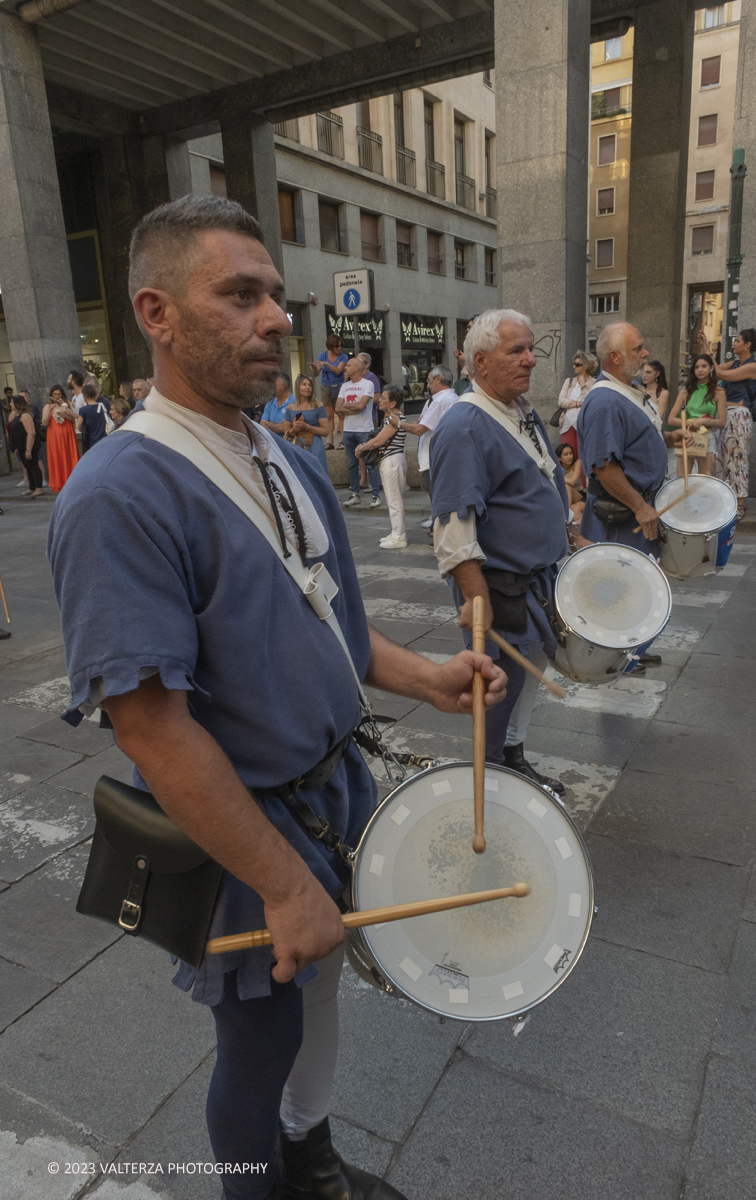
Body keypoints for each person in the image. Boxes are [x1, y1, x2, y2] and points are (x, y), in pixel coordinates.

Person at [47, 194, 507, 1200]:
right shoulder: (119, 492)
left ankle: (309, 1158)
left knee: (316, 994)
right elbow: (152, 728)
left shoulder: (285, 457)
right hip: (241, 831)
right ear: (157, 314)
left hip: (328, 796)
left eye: (275, 295)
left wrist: (424, 674)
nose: (275, 319)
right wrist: (289, 885)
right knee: (256, 1037)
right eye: (240, 295)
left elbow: (330, 627)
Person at [430, 309, 571, 795]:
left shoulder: (520, 410)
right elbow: (453, 528)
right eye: (518, 351)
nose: (531, 359)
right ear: (481, 361)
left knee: (528, 673)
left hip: (536, 579)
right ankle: (489, 779)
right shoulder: (465, 425)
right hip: (500, 588)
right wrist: (476, 602)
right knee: (496, 686)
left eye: (531, 348)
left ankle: (512, 755)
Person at [576, 323, 693, 672]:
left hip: (635, 509)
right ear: (615, 357)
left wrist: (668, 439)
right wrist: (641, 506)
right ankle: (617, 655)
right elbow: (604, 466)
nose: (645, 354)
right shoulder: (605, 401)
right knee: (618, 587)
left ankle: (633, 649)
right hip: (622, 515)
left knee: (638, 582)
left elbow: (632, 443)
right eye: (638, 348)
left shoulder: (626, 390)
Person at [700, 327, 756, 519]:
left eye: (737, 341)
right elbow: (717, 370)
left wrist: (708, 353)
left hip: (739, 416)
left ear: (747, 345)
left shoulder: (753, 366)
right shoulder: (737, 362)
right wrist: (706, 348)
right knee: (721, 459)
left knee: (737, 459)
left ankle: (739, 506)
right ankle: (724, 501)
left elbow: (722, 375)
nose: (734, 343)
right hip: (725, 414)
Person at [398, 365, 459, 531]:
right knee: (440, 497)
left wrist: (398, 423)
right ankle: (439, 527)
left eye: (429, 380)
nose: (427, 384)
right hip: (439, 456)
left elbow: (419, 428)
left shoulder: (441, 400)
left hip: (435, 458)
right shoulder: (447, 398)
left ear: (438, 379)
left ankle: (440, 531)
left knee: (438, 497)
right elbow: (421, 422)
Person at [356, 386, 408, 548]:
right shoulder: (391, 418)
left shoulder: (394, 418)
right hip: (393, 460)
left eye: (383, 398)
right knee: (393, 499)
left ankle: (399, 537)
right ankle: (396, 533)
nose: (379, 400)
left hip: (392, 461)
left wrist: (361, 448)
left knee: (394, 501)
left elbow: (379, 440)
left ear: (392, 403)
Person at [667, 355, 726, 478]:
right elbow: (671, 419)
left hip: (707, 435)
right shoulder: (686, 391)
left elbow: (722, 422)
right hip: (687, 434)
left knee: (704, 479)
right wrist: (691, 422)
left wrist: (705, 421)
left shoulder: (718, 392)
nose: (700, 370)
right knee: (682, 479)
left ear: (711, 368)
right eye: (697, 367)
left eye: (704, 366)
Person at [336, 356, 380, 508]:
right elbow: (337, 408)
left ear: (356, 368)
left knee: (370, 463)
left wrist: (347, 406)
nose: (345, 368)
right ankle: (355, 494)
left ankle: (376, 495)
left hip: (364, 429)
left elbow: (362, 406)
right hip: (348, 430)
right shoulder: (344, 386)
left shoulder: (367, 384)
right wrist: (353, 406)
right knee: (351, 464)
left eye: (348, 365)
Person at [556, 350, 597, 483]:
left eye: (577, 364)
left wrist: (584, 384)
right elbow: (561, 401)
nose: (574, 366)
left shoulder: (594, 383)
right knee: (567, 456)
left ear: (586, 366)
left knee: (583, 457)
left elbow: (590, 402)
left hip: (584, 425)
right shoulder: (569, 382)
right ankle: (568, 485)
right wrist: (578, 404)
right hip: (567, 424)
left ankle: (585, 488)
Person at [309, 335, 347, 449]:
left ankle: (342, 441)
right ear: (330, 346)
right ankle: (330, 441)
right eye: (337, 346)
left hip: (339, 386)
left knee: (341, 414)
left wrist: (327, 364)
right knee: (329, 415)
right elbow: (316, 374)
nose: (339, 348)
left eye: (340, 345)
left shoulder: (343, 357)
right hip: (326, 386)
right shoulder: (323, 355)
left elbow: (338, 371)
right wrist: (314, 368)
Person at [283, 375, 329, 469]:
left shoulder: (318, 406)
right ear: (297, 386)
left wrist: (306, 427)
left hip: (314, 444)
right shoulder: (290, 407)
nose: (308, 387)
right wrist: (294, 429)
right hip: (296, 445)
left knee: (317, 474)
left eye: (310, 385)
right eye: (304, 384)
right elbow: (286, 433)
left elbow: (325, 432)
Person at [42, 384, 79, 493]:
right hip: (54, 437)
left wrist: (65, 413)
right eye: (55, 394)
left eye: (59, 394)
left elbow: (74, 420)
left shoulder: (68, 404)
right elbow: (44, 422)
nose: (57, 396)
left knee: (69, 457)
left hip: (67, 435)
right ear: (51, 395)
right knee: (57, 458)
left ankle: (72, 482)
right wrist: (51, 409)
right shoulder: (47, 406)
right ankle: (59, 484)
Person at [9, 395, 44, 496]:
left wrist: (28, 450)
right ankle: (32, 488)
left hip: (29, 445)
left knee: (33, 466)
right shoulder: (18, 415)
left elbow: (31, 433)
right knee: (27, 466)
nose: (10, 404)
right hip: (21, 446)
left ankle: (39, 488)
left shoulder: (25, 415)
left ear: (17, 404)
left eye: (12, 402)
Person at [555, 443, 584, 524]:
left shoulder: (577, 462)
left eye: (571, 453)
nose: (569, 457)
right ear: (559, 458)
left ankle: (566, 517)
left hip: (579, 495)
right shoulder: (557, 468)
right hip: (563, 497)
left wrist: (557, 478)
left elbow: (572, 481)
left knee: (567, 486)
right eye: (566, 454)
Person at [75, 383, 109, 451]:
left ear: (84, 395)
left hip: (91, 443)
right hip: (104, 440)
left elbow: (79, 427)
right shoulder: (102, 406)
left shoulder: (83, 410)